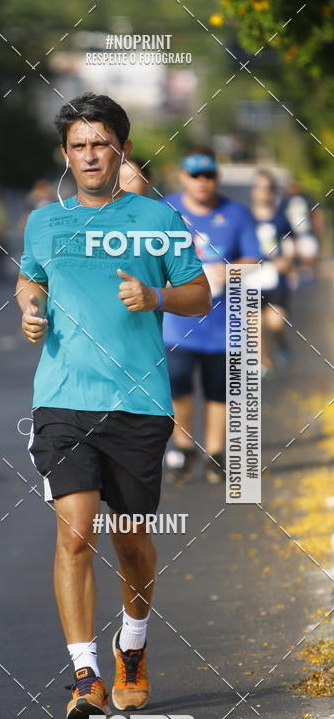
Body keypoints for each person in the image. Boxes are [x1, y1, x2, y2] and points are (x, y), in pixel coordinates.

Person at [16, 93, 211, 719]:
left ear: (121, 150)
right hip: (62, 399)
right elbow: (31, 275)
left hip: (138, 401)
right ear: (66, 156)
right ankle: (85, 674)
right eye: (78, 146)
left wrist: (156, 295)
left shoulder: (158, 219)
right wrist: (29, 304)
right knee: (74, 534)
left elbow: (201, 295)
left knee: (129, 540)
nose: (90, 155)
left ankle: (132, 645)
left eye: (101, 143)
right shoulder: (45, 221)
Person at [162, 148, 261, 485]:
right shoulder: (166, 211)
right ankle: (183, 444)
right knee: (179, 387)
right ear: (182, 177)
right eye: (195, 175)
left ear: (216, 178)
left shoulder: (237, 214)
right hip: (178, 323)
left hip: (224, 324)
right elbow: (149, 258)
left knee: (219, 390)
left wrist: (228, 271)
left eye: (208, 175)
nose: (202, 182)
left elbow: (254, 260)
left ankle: (216, 452)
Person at [249, 169, 294, 376]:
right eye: (259, 187)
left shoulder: (280, 219)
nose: (263, 192)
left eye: (268, 188)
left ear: (273, 192)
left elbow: (289, 246)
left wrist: (285, 261)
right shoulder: (245, 218)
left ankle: (282, 342)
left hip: (276, 280)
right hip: (251, 280)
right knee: (255, 326)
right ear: (253, 191)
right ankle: (264, 365)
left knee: (275, 323)